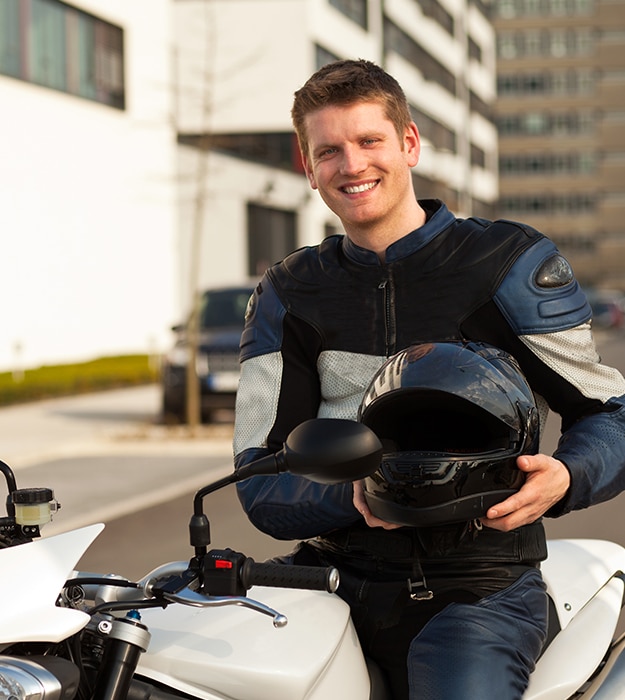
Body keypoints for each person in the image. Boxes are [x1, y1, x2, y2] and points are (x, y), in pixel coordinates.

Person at [232, 59, 625, 699]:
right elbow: (260, 474)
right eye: (328, 150)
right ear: (308, 168)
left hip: (480, 589)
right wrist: (355, 498)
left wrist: (568, 476)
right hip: (331, 578)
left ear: (409, 144)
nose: (351, 165)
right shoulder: (288, 291)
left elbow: (610, 413)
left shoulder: (508, 262)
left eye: (369, 141)